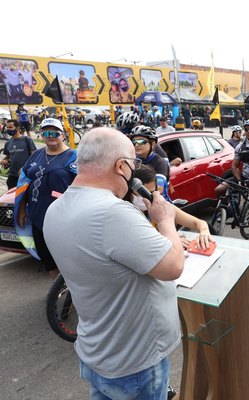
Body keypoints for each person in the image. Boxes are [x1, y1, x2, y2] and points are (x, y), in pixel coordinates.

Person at [43, 127, 184, 399]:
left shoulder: (56, 208)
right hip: (135, 361)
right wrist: (166, 221)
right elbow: (173, 266)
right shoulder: (112, 213)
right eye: (132, 166)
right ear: (121, 166)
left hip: (98, 350)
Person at [17, 118, 77, 278]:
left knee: (67, 259)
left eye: (55, 133)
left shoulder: (73, 156)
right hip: (37, 216)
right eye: (46, 133)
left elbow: (83, 187)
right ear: (42, 135)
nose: (51, 136)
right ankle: (57, 292)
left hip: (63, 218)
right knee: (47, 258)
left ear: (63, 135)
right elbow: (23, 182)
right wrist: (22, 208)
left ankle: (72, 293)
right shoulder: (36, 155)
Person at [1, 119, 36, 189]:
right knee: (11, 198)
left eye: (10, 127)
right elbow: (8, 157)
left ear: (17, 128)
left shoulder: (27, 140)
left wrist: (25, 168)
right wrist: (4, 161)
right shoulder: (8, 143)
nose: (8, 129)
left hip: (26, 176)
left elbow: (35, 157)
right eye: (7, 127)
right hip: (12, 176)